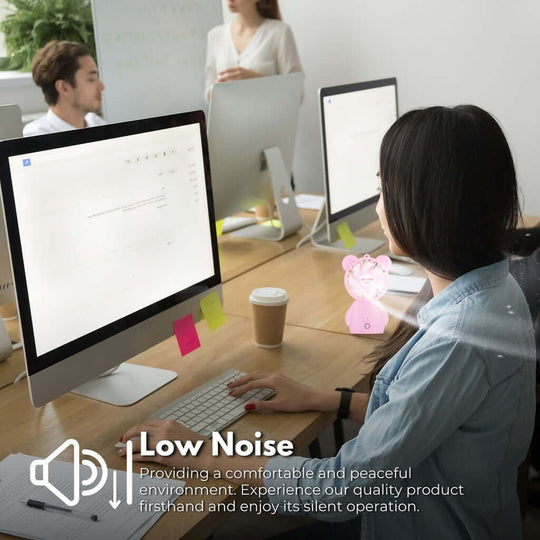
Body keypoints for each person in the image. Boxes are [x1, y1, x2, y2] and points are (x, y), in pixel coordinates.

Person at [119, 105, 535, 539]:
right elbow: (424, 414)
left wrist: (201, 453)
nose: (378, 209)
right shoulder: (488, 284)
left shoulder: (459, 338)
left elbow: (340, 490)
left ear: (428, 204)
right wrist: (327, 399)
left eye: (384, 191)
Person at [204, 0, 302, 101]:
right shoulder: (215, 35)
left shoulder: (280, 32)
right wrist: (218, 89)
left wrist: (258, 81)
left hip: (269, 116)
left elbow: (297, 94)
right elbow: (208, 94)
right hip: (227, 116)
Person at [23, 40, 106, 137]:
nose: (101, 87)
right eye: (91, 79)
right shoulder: (37, 137)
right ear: (63, 87)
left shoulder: (97, 124)